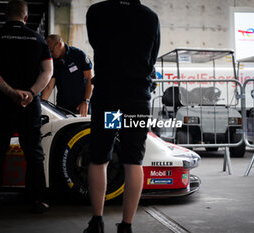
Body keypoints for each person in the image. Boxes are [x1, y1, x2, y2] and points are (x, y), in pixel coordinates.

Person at [85, 0, 160, 232]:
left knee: (100, 158)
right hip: (136, 99)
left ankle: (97, 222)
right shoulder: (150, 17)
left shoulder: (97, 11)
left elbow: (96, 42)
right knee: (133, 160)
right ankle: (126, 226)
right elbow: (152, 56)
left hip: (109, 98)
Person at [0, 0, 53, 214]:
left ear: (6, 14)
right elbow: (47, 72)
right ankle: (37, 200)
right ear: (26, 17)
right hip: (29, 105)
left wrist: (11, 92)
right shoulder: (38, 39)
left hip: (2, 103)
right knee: (34, 151)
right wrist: (30, 93)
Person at [41, 34, 93, 116]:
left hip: (81, 106)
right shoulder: (53, 61)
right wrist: (41, 105)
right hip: (63, 108)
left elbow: (90, 79)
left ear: (59, 44)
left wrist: (86, 101)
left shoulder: (78, 55)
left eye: (51, 50)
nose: (50, 54)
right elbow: (49, 87)